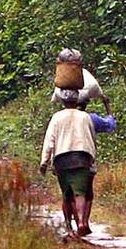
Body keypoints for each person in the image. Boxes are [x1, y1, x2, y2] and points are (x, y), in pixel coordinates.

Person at [40, 88, 97, 238]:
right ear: (77, 101)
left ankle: (69, 226)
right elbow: (91, 137)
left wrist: (44, 162)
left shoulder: (57, 117)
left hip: (62, 159)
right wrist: (92, 156)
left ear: (63, 101)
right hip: (82, 156)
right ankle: (82, 223)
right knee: (80, 192)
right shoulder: (85, 117)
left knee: (67, 194)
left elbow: (50, 140)